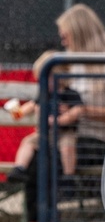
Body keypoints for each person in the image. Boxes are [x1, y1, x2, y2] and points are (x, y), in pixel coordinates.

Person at [9, 4, 105, 222]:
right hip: (60, 135)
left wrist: (82, 112)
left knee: (47, 159)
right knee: (36, 160)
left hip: (94, 139)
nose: (63, 40)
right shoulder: (67, 65)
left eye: (66, 35)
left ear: (79, 31)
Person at [5, 50, 83, 189]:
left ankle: (69, 177)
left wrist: (62, 119)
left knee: (67, 147)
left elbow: (78, 110)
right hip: (44, 134)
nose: (45, 81)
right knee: (28, 142)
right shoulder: (43, 94)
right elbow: (29, 107)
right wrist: (16, 112)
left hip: (64, 132)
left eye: (49, 77)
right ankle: (20, 168)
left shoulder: (69, 93)